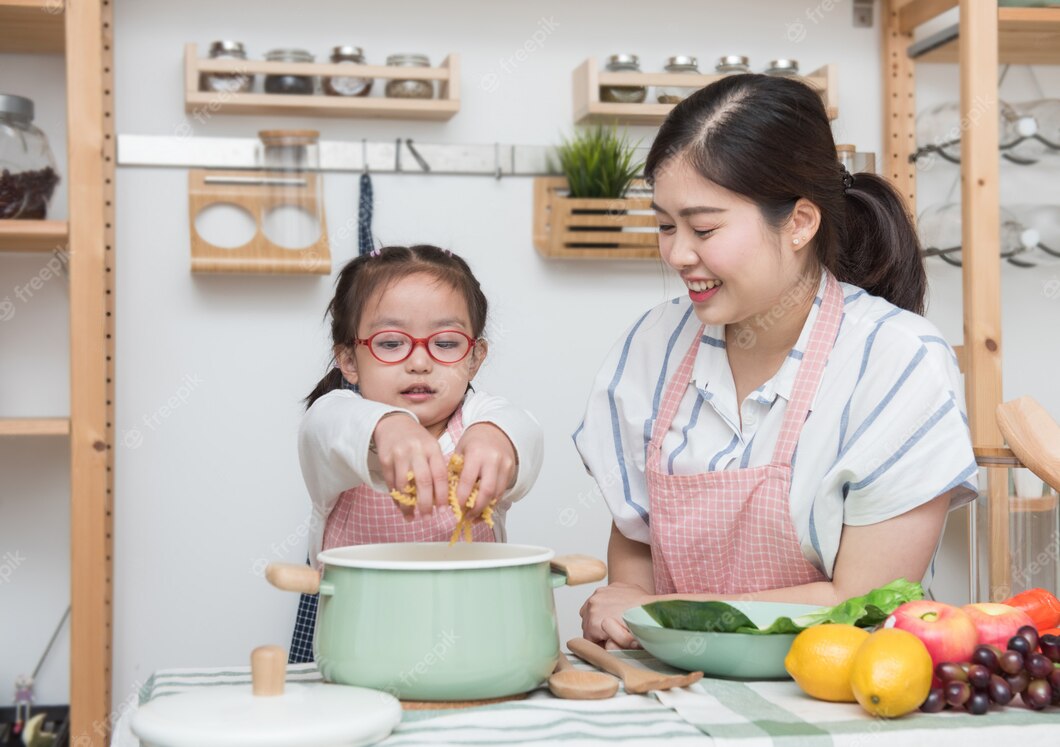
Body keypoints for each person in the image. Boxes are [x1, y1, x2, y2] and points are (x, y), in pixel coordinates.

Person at [574, 74, 977, 649]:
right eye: (665, 225)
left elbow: (862, 601)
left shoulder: (898, 361)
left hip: (844, 685)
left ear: (800, 223)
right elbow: (637, 535)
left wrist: (658, 611)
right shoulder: (652, 345)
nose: (678, 253)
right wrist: (626, 612)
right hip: (676, 679)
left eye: (704, 228)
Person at [290, 245, 543, 662]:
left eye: (446, 342)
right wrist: (387, 425)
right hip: (360, 645)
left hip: (474, 643)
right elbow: (326, 425)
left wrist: (496, 437)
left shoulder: (480, 418)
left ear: (474, 358)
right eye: (391, 343)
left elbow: (523, 429)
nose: (420, 362)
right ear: (349, 359)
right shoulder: (340, 418)